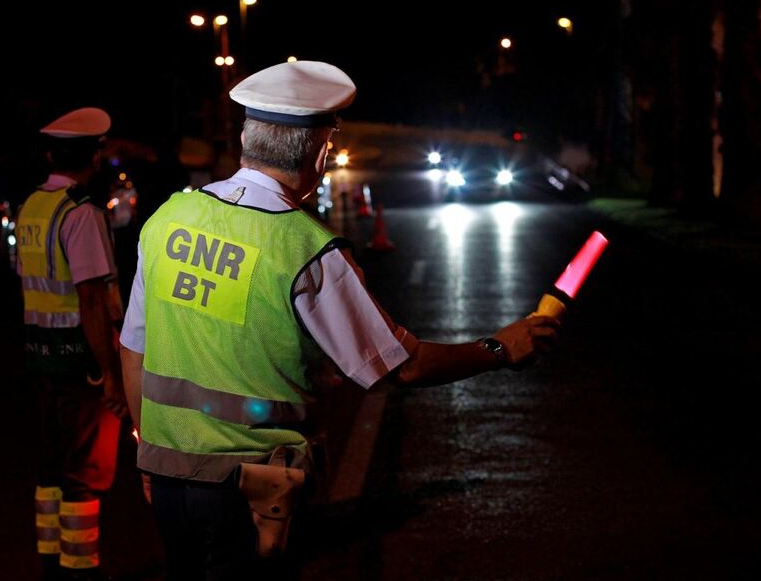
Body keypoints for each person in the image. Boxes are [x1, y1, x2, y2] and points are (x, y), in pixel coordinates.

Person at [119, 61, 559, 579]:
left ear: (245, 138)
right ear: (320, 151)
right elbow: (403, 366)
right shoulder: (306, 249)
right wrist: (499, 349)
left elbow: (134, 350)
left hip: (168, 474)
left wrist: (150, 454)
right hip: (253, 488)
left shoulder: (168, 219)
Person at [16, 107, 129, 580]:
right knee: (85, 472)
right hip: (81, 361)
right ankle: (80, 569)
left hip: (40, 356)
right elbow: (91, 300)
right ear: (95, 157)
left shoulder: (31, 207)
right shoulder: (80, 213)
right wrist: (111, 376)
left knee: (51, 469)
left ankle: (52, 563)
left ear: (50, 156)